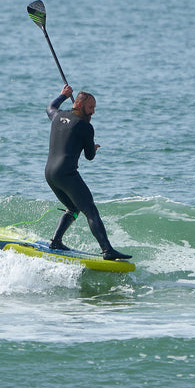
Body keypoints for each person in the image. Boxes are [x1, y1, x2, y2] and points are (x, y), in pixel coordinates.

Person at [44, 84, 132, 261]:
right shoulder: (85, 127)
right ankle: (107, 250)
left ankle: (56, 241)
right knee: (90, 211)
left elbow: (50, 108)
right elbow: (89, 156)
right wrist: (92, 147)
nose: (92, 112)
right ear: (78, 105)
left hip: (50, 174)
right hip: (67, 174)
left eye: (94, 108)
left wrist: (62, 95)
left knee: (73, 208)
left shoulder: (58, 116)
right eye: (90, 107)